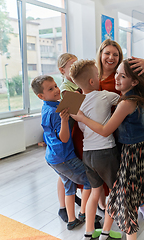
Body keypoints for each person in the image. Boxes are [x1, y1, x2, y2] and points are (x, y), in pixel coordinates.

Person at [71, 59, 144, 240]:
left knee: (126, 200)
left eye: (122, 76)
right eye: (117, 73)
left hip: (132, 154)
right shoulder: (138, 97)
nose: (116, 78)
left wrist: (82, 117)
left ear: (134, 82)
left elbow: (105, 130)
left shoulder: (125, 103)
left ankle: (107, 233)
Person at [96, 38, 144, 223]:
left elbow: (143, 83)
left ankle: (137, 206)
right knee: (107, 176)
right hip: (100, 132)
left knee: (130, 175)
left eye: (115, 54)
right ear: (100, 55)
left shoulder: (125, 76)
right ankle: (104, 208)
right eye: (107, 53)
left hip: (124, 134)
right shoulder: (94, 77)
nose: (111, 57)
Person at [31, 75, 91, 230]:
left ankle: (72, 220)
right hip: (64, 158)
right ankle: (83, 213)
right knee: (90, 180)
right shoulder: (56, 113)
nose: (57, 90)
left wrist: (72, 100)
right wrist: (64, 121)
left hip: (53, 157)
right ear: (41, 96)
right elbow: (64, 138)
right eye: (51, 89)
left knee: (69, 186)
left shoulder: (48, 107)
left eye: (56, 86)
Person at [69, 59, 122, 240]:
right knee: (116, 192)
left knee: (94, 192)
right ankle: (106, 232)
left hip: (87, 154)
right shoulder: (105, 95)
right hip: (105, 151)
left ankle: (88, 232)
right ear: (93, 81)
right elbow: (123, 100)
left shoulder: (75, 102)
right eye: (98, 76)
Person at [55, 53, 82, 223]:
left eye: (77, 65)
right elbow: (74, 109)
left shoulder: (75, 84)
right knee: (64, 174)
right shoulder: (65, 88)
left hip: (76, 132)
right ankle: (62, 207)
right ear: (62, 70)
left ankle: (71, 199)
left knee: (72, 173)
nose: (75, 69)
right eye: (71, 66)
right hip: (68, 134)